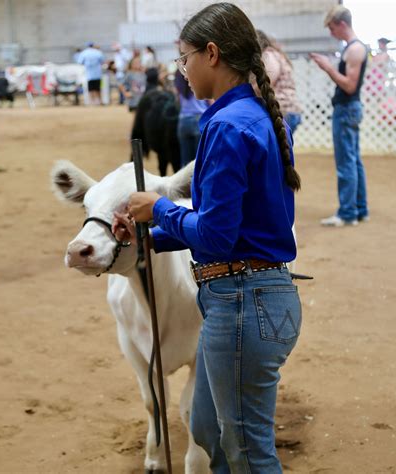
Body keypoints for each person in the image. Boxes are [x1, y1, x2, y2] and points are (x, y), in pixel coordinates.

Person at [112, 3, 302, 472]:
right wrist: (150, 238)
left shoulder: (225, 125)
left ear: (211, 54)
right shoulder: (257, 117)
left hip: (242, 301)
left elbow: (215, 234)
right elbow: (226, 225)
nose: (183, 70)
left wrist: (158, 207)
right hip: (256, 295)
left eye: (185, 58)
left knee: (247, 451)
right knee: (208, 429)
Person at [310, 5, 369, 227]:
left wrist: (328, 67)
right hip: (350, 108)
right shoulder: (355, 49)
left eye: (332, 28)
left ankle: (347, 213)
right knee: (354, 161)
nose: (331, 33)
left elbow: (349, 86)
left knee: (346, 162)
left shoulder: (354, 50)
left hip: (346, 108)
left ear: (342, 24)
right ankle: (359, 209)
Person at [256, 29, 302, 135]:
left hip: (284, 110)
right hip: (288, 110)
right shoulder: (277, 55)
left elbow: (266, 82)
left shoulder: (270, 55)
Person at [174, 68, 210, 167]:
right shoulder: (197, 75)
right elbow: (210, 101)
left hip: (183, 120)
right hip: (199, 120)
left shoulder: (178, 76)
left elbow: (177, 100)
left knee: (185, 163)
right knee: (199, 162)